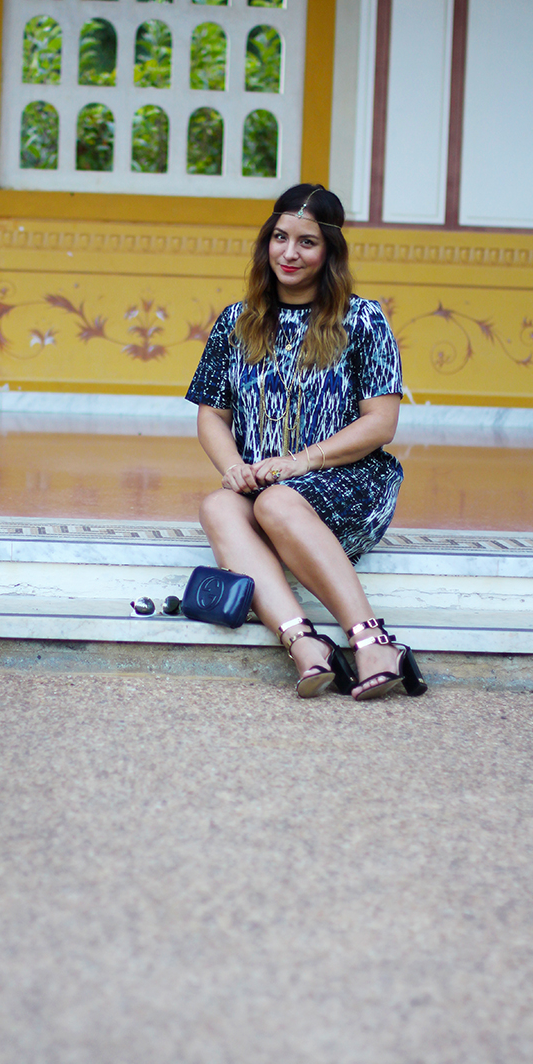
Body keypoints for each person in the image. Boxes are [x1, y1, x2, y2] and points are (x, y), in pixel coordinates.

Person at [185, 183, 426, 700]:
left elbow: (380, 424)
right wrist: (232, 467)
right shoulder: (236, 321)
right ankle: (304, 644)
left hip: (350, 480)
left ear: (330, 251)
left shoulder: (363, 319)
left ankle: (373, 642)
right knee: (219, 506)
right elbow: (211, 414)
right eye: (279, 237)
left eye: (307, 242)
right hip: (270, 485)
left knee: (273, 501)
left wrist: (300, 462)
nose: (289, 253)